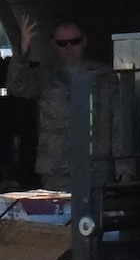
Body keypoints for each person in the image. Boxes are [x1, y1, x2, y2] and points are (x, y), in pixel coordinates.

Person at [7, 15, 105, 191]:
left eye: (74, 41)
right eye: (62, 43)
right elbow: (17, 86)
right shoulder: (45, 76)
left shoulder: (103, 76)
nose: (69, 48)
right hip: (56, 169)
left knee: (97, 217)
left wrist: (124, 166)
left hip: (97, 166)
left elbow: (118, 121)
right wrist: (23, 50)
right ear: (54, 45)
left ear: (84, 41)